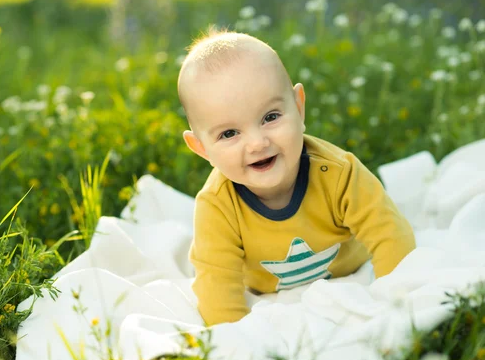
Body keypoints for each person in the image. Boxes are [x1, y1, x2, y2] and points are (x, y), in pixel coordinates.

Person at [177, 29, 416, 327]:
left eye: (270, 117)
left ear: (299, 107)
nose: (257, 143)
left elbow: (390, 235)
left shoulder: (338, 173)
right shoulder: (218, 206)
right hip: (265, 291)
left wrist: (398, 305)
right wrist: (236, 344)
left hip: (350, 270)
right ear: (201, 148)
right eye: (229, 133)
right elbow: (216, 287)